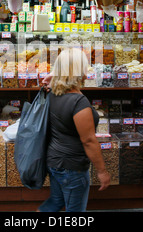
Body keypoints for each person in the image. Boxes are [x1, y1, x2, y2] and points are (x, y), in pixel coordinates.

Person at [38, 47, 111, 212]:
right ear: (79, 70)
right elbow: (89, 140)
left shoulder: (52, 93)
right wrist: (102, 171)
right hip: (72, 167)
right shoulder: (79, 103)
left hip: (54, 161)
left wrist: (54, 77)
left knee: (55, 202)